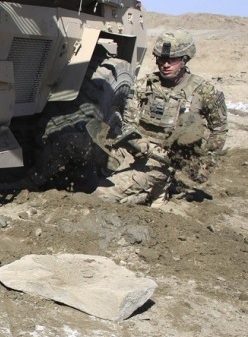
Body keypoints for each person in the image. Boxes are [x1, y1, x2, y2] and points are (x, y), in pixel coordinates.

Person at [93, 29, 228, 205]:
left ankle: (159, 185)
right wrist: (138, 142)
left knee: (103, 194)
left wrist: (204, 162)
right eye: (161, 59)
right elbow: (129, 124)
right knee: (91, 176)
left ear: (185, 59)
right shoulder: (143, 86)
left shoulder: (205, 92)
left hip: (165, 160)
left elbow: (219, 129)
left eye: (172, 60)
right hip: (137, 152)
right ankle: (157, 192)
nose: (165, 65)